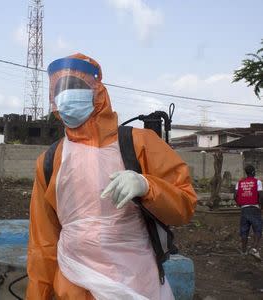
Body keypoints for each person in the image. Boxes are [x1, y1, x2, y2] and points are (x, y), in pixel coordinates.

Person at [26, 53, 197, 299]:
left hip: (136, 283)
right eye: (59, 90)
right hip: (72, 285)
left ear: (97, 90)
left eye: (75, 86)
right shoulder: (50, 161)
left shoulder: (139, 145)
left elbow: (185, 206)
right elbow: (42, 243)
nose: (66, 96)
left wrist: (147, 186)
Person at [234, 164, 263, 259]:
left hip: (244, 209)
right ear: (253, 172)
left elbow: (235, 195)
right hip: (255, 208)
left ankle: (243, 252)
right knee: (258, 229)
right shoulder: (257, 182)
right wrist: (261, 206)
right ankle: (254, 249)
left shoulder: (240, 182)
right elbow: (261, 195)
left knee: (244, 230)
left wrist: (240, 204)